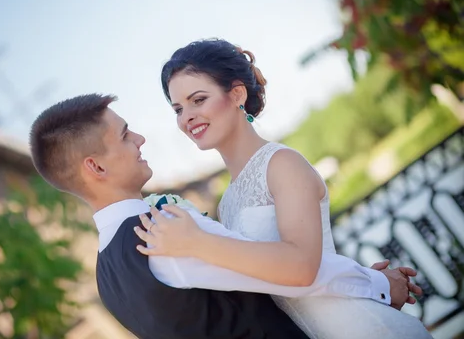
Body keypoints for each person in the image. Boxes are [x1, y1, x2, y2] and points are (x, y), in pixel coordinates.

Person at [30, 94, 421, 339]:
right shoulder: (163, 229)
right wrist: (380, 283)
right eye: (125, 134)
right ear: (96, 168)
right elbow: (292, 272)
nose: (140, 139)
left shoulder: (106, 276)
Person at [133, 38, 431, 338]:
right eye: (178, 109)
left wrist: (196, 242)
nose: (187, 117)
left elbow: (302, 267)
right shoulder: (228, 202)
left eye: (198, 100)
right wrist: (370, 280)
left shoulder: (282, 164)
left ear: (236, 94)